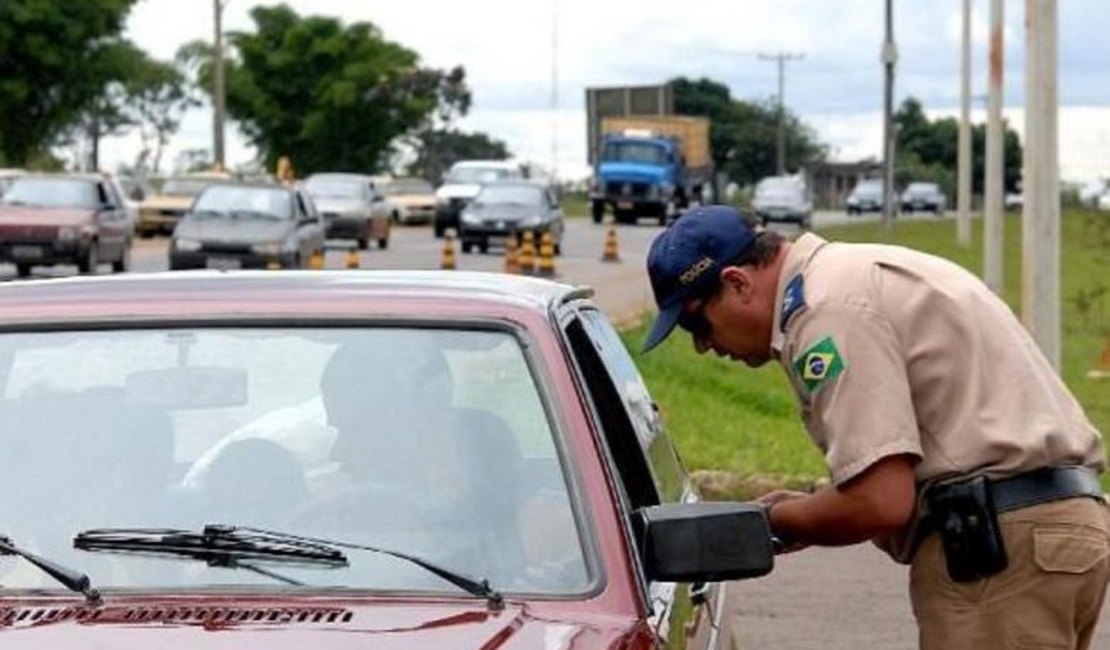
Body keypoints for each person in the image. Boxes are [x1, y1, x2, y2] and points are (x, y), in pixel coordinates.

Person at [642, 205, 1108, 649]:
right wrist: (811, 510)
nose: (703, 347)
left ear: (738, 283)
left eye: (695, 324)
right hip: (1052, 531)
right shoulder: (851, 273)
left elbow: (880, 501)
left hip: (998, 550)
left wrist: (771, 523)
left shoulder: (825, 311)